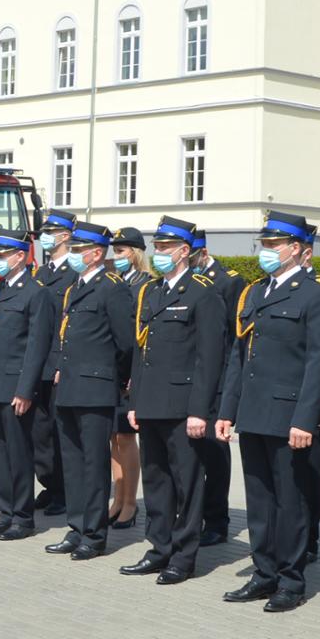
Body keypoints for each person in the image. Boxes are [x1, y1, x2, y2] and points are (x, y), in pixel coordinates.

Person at [217, 212, 320, 613]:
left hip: (291, 416)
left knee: (291, 501)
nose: (267, 251)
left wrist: (306, 419)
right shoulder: (256, 292)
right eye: (265, 244)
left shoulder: (319, 294)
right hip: (254, 412)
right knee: (260, 500)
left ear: (297, 250)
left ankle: (291, 579)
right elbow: (240, 357)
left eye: (275, 245)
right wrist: (227, 409)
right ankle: (263, 572)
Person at [120, 217, 227, 586]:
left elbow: (210, 359)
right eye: (157, 247)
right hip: (150, 402)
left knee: (187, 482)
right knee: (155, 480)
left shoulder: (203, 293)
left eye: (166, 248)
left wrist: (201, 410)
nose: (160, 253)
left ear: (184, 251)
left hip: (183, 407)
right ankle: (158, 547)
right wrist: (134, 401)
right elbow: (140, 350)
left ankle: (184, 556)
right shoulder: (152, 292)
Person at [46, 222, 136, 560]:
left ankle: (95, 535)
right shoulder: (76, 287)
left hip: (96, 388)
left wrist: (114, 379)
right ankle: (77, 526)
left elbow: (125, 343)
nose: (72, 254)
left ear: (96, 254)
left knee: (93, 462)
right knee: (71, 462)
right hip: (69, 385)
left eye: (78, 249)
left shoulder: (111, 288)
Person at [0, 230, 54, 540]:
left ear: (20, 256)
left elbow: (36, 347)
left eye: (2, 255)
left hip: (15, 387)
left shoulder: (36, 293)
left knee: (19, 454)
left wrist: (25, 390)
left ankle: (23, 518)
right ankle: (4, 512)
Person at [190, 231, 247, 548]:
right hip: (192, 378)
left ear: (203, 252)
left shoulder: (227, 281)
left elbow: (231, 337)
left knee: (214, 452)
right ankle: (192, 514)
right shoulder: (187, 281)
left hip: (219, 378)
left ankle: (217, 520)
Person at [31, 210, 78, 517]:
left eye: (51, 231)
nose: (45, 237)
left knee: (62, 431)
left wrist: (62, 361)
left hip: (59, 363)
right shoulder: (41, 274)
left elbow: (70, 323)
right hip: (39, 363)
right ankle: (49, 483)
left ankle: (65, 490)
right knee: (40, 430)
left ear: (65, 236)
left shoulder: (73, 274)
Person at [107, 228, 154, 529]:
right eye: (116, 251)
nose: (117, 257)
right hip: (112, 371)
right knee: (112, 437)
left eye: (122, 251)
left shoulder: (145, 285)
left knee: (126, 437)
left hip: (132, 373)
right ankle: (117, 497)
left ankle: (130, 503)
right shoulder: (117, 283)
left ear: (135, 253)